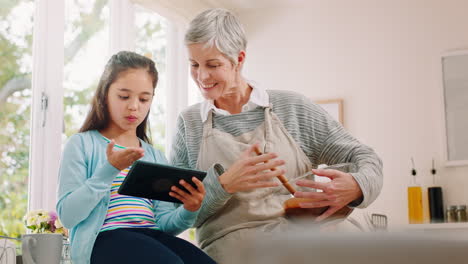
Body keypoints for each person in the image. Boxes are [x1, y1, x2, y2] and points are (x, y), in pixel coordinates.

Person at [169, 8, 383, 263]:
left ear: (239, 59)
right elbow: (175, 215)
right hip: (233, 252)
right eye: (194, 65)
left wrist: (357, 186)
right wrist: (224, 185)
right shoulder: (189, 124)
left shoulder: (292, 107)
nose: (202, 76)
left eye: (213, 65)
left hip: (305, 244)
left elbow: (364, 157)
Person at [56, 51, 216, 264]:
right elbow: (68, 215)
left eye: (143, 99)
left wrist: (189, 209)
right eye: (124, 96)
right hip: (104, 240)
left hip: (150, 238)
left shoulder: (154, 155)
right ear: (105, 94)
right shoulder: (82, 144)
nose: (134, 106)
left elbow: (165, 225)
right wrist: (110, 169)